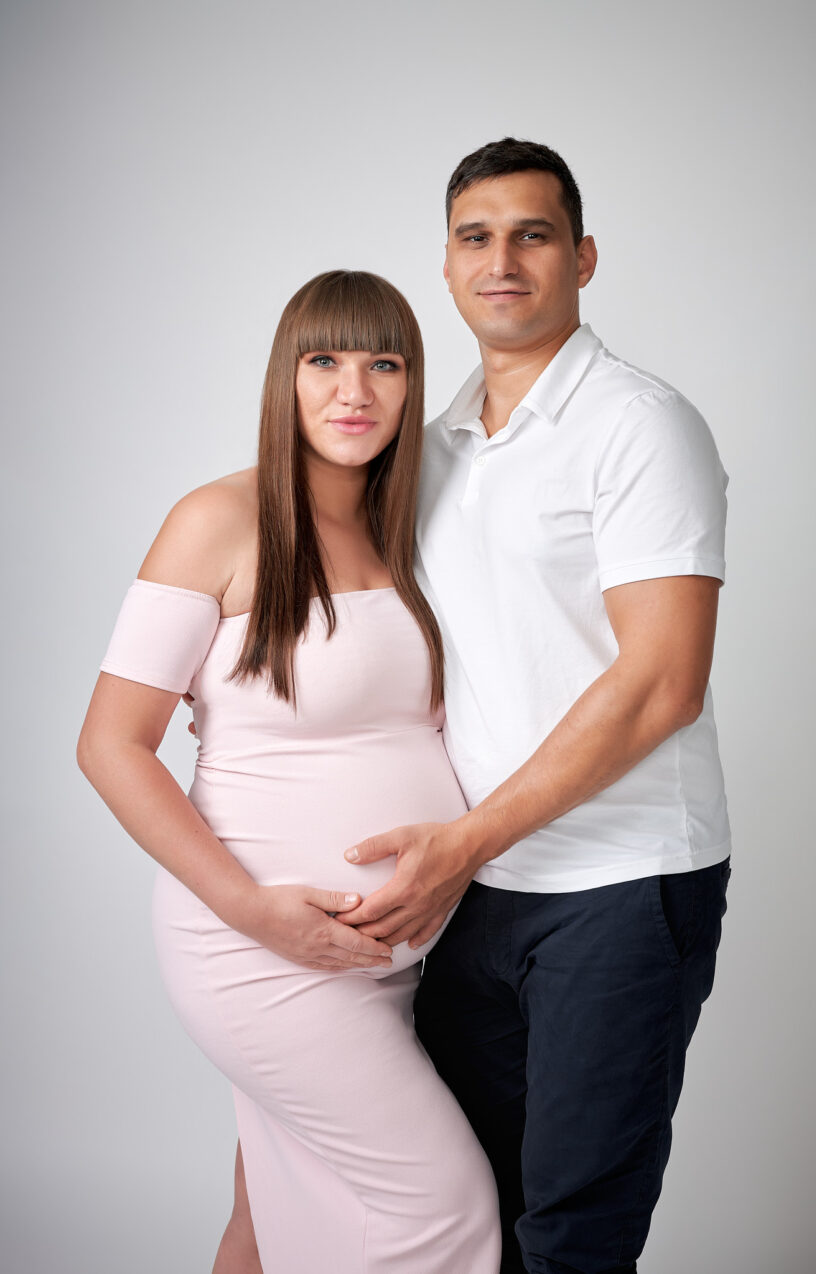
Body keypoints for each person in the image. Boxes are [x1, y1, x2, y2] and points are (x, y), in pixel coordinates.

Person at [339, 139, 732, 1274]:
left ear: (583, 257)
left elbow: (664, 681)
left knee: (571, 1235)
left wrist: (463, 842)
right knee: (468, 1219)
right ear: (447, 264)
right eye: (476, 237)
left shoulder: (639, 423)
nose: (501, 260)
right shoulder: (435, 443)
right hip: (476, 895)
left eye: (533, 235)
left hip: (620, 887)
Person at [77, 270, 501, 1274]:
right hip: (261, 953)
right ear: (286, 378)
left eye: (383, 364)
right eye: (324, 361)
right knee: (441, 1205)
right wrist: (252, 910)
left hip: (385, 964)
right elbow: (110, 742)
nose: (354, 390)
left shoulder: (407, 530)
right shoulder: (215, 520)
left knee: (269, 1217)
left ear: (412, 383)